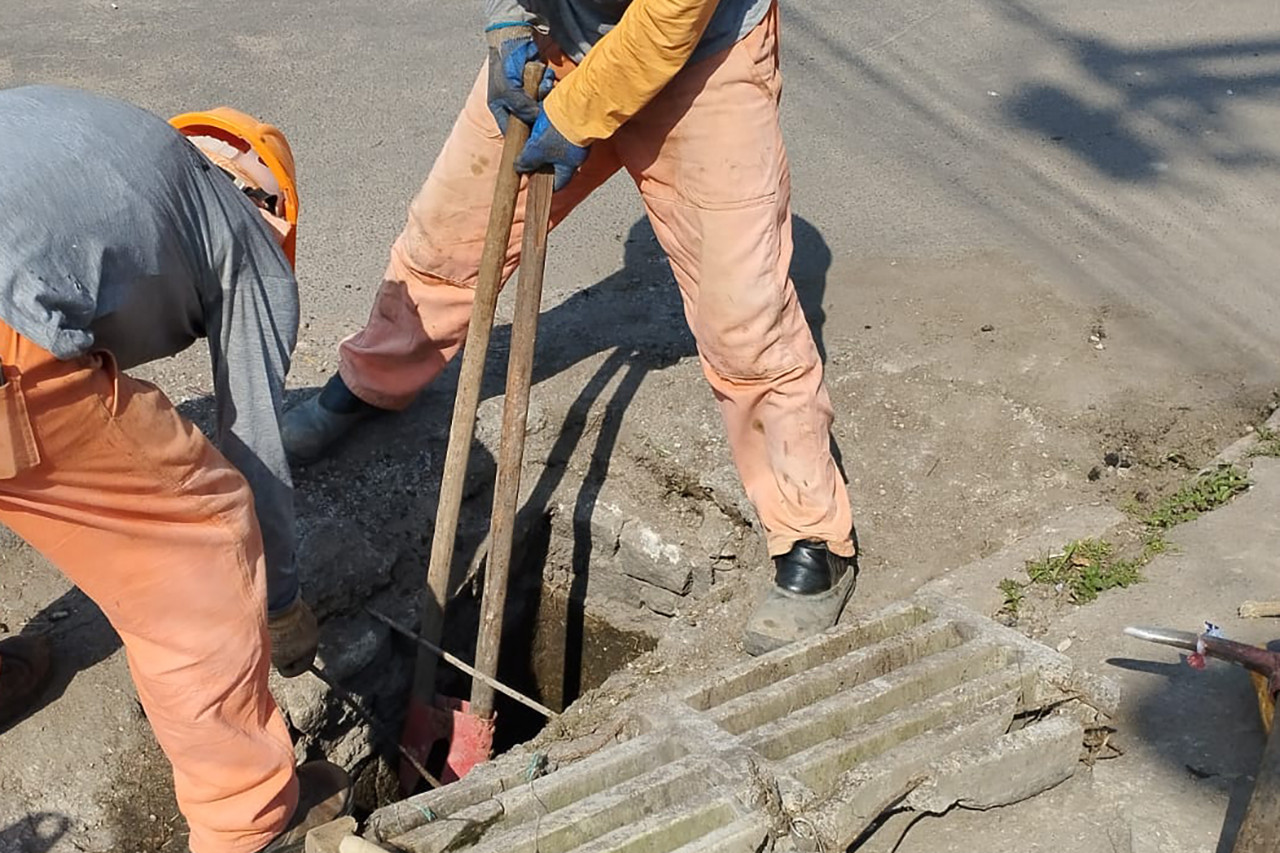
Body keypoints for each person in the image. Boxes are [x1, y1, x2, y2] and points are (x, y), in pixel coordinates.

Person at [281, 0, 857, 655]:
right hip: (557, 39)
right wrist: (505, 23)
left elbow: (672, 19)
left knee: (744, 318)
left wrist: (577, 113)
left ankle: (813, 535)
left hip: (702, 58)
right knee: (448, 241)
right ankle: (375, 379)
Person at [0, 85, 348, 853]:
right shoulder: (245, 235)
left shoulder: (104, 139)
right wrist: (279, 602)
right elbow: (252, 441)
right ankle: (249, 822)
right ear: (269, 205)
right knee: (202, 535)